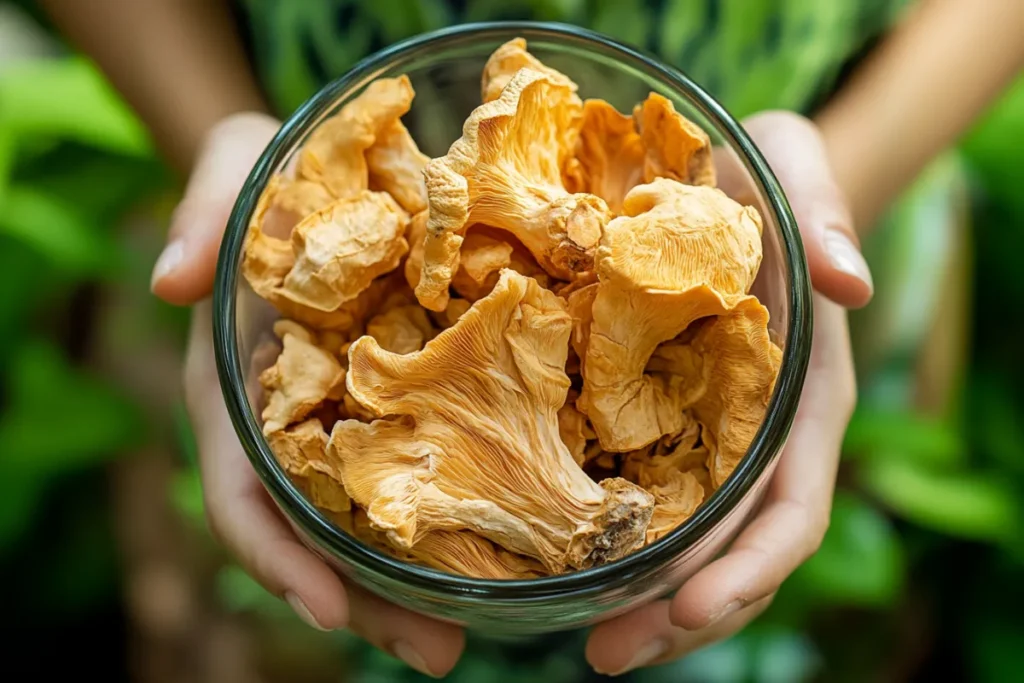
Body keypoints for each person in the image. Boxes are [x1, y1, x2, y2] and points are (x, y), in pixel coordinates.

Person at [37, 0, 1024, 678]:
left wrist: (831, 184)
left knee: (752, 595)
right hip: (291, 129)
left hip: (837, 176)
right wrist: (216, 130)